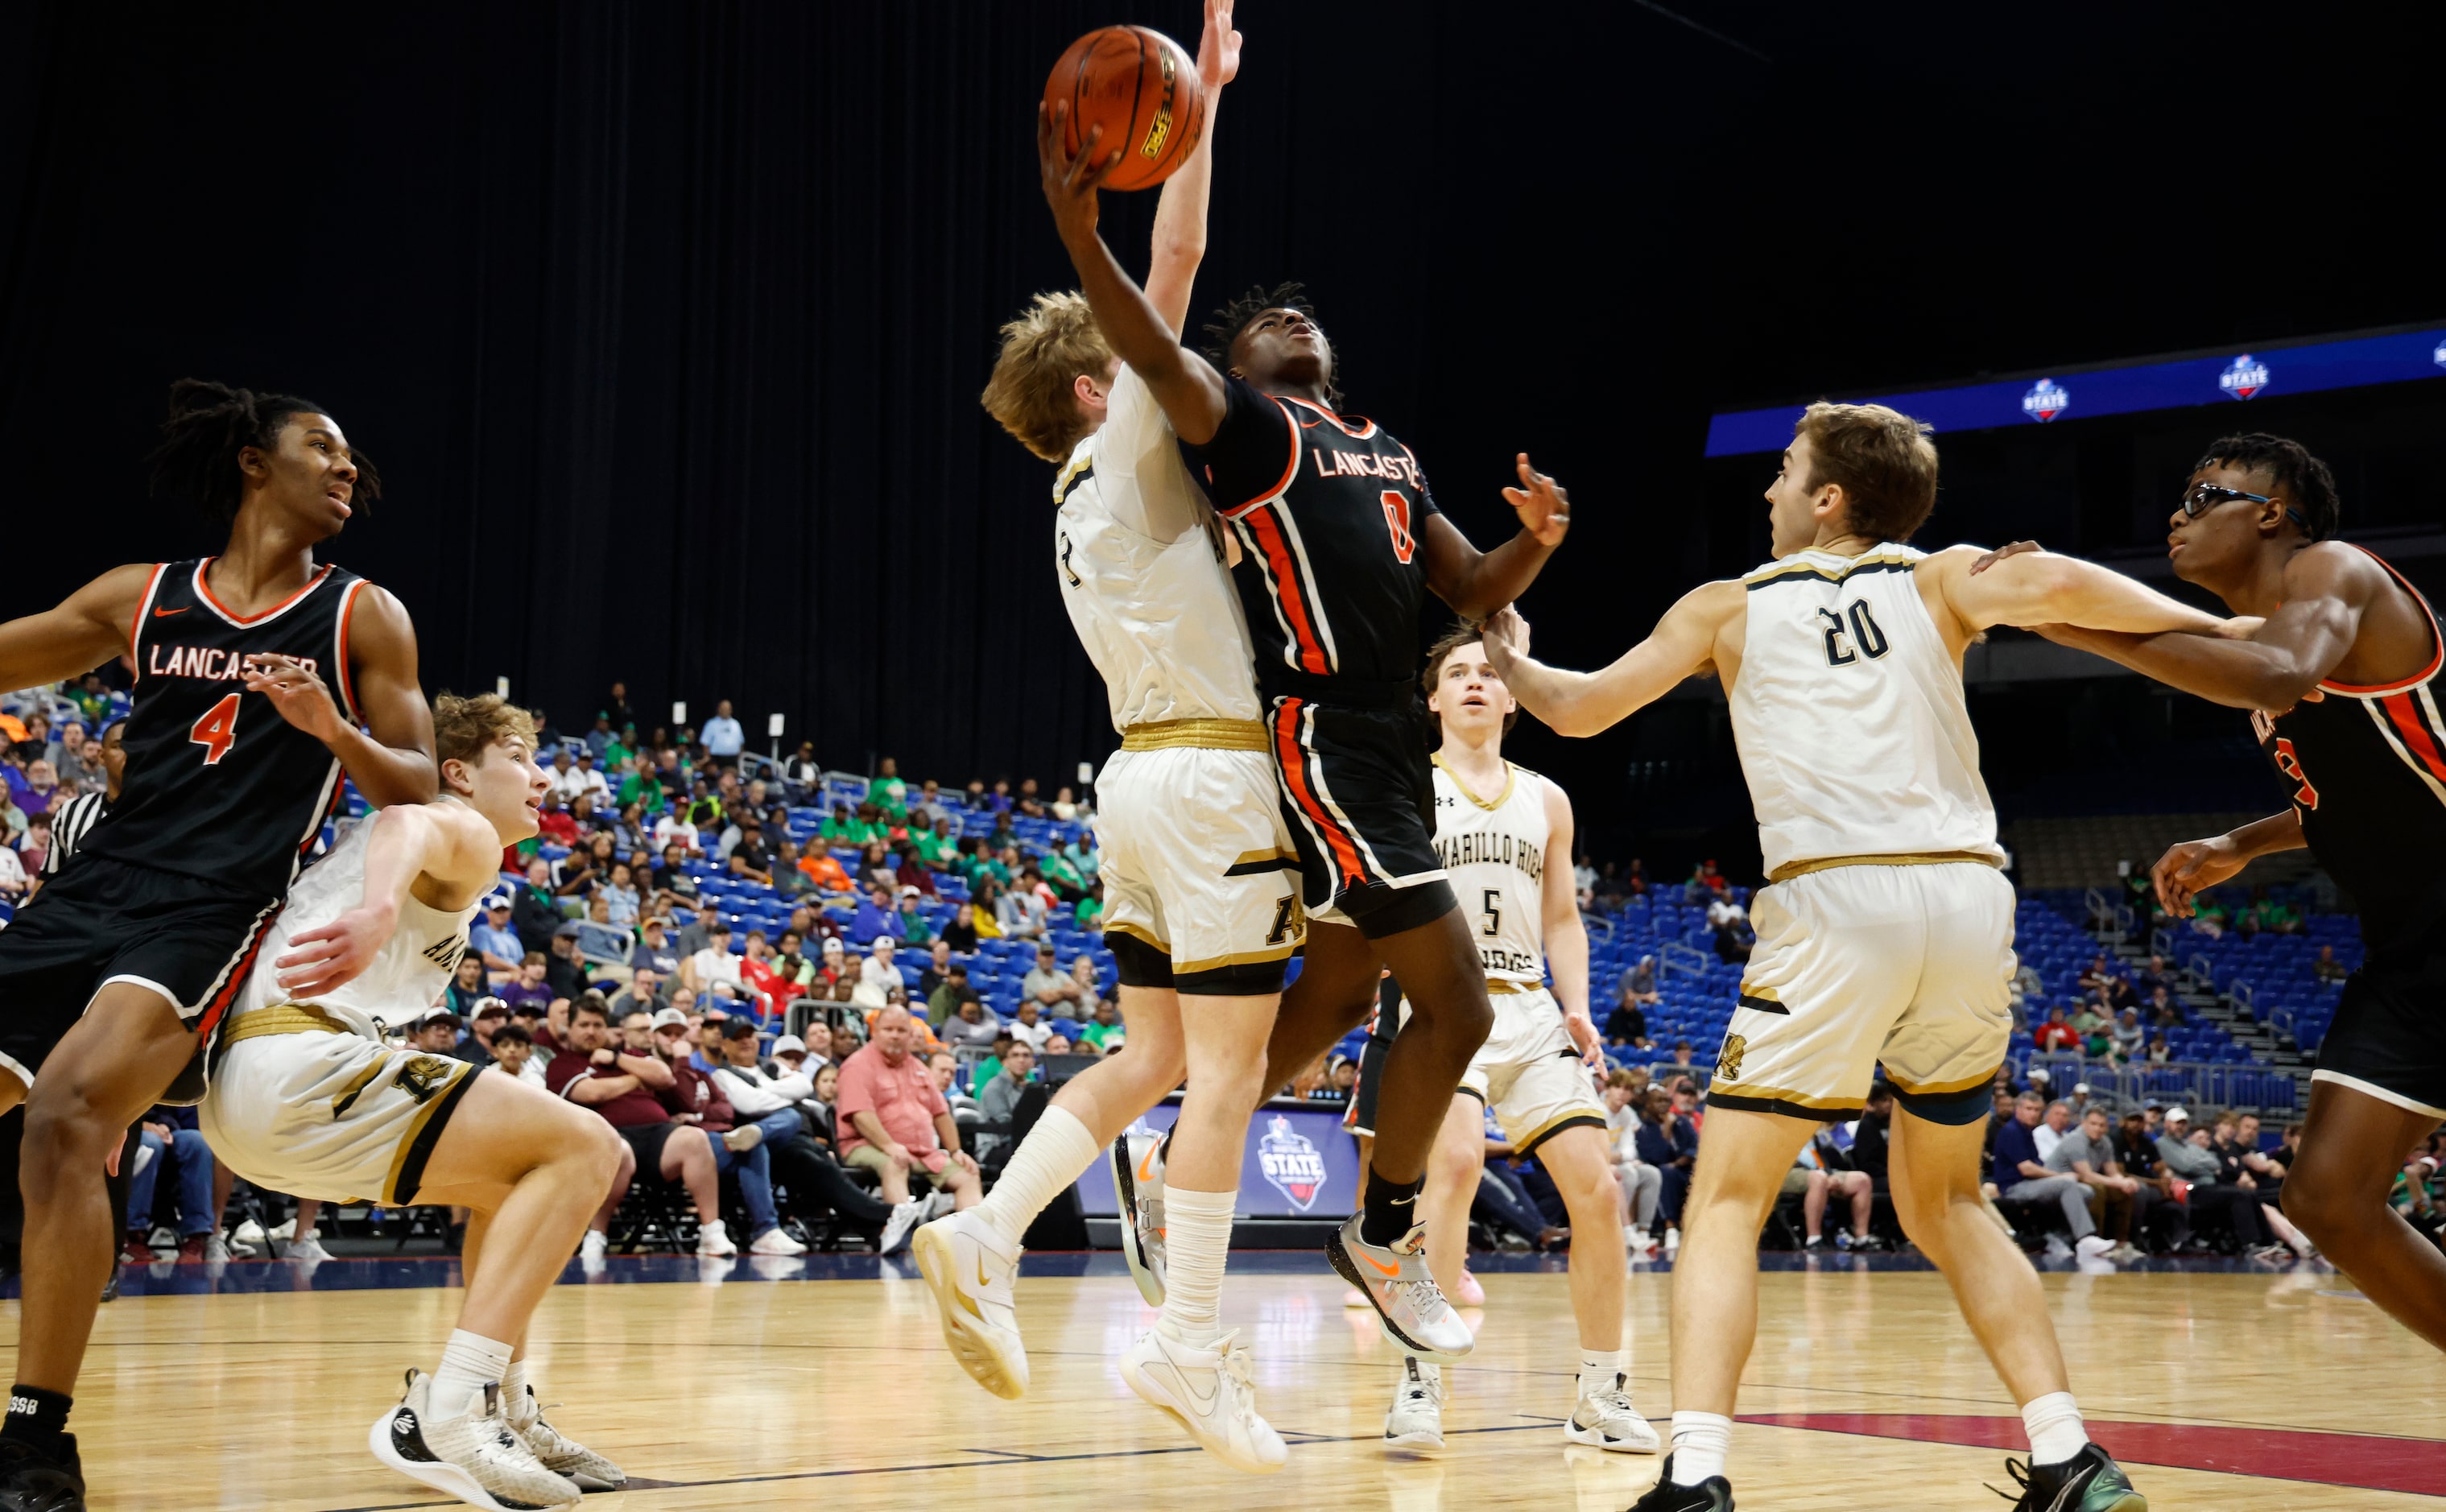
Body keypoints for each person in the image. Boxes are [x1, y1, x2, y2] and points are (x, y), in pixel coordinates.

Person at [1482, 403, 2242, 1508]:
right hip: (1970, 899)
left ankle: (1693, 1473)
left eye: (1785, 472)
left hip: (1838, 899)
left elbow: (1583, 712)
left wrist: (1512, 654)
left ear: (1829, 496)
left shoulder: (1728, 602)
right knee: (1946, 1202)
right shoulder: (1941, 579)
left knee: (1729, 1203)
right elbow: (2064, 588)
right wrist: (2222, 632)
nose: (1767, 490)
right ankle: (2069, 1453)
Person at [1029, 3, 1581, 1412]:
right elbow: (1151, 330)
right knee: (1449, 1001)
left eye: (1300, 312)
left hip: (1383, 738)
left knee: (1330, 994)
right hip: (1322, 735)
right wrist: (1080, 226)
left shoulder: (1384, 451)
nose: (1287, 316)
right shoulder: (1247, 428)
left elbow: (1462, 583)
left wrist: (1535, 543)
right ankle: (1383, 1233)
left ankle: (1177, 1164)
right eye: (1257, 320)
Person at [915, 4, 1299, 1474]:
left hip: (1132, 780)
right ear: (1097, 385)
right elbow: (1174, 267)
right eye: (1129, 354)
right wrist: (1198, 112)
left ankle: (986, 1226)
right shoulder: (1129, 439)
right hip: (1208, 775)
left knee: (1145, 1054)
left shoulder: (1070, 498)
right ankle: (1189, 1345)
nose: (1157, 355)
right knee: (1225, 1073)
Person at [0, 381, 440, 1512]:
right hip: (91, 889)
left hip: (213, 906)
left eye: (353, 460)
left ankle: (37, 1438)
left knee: (66, 1118)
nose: (347, 471)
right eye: (322, 450)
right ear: (254, 462)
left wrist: (330, 730)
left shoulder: (360, 615)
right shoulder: (139, 599)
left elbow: (422, 786)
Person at [2025, 433, 2446, 1356]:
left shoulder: (2331, 573)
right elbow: (2341, 793)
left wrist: (2065, 622)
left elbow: (2275, 676)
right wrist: (2236, 842)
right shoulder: (2270, 645)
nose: (2175, 513)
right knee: (2327, 1201)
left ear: (2269, 514)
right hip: (2412, 950)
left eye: (2201, 493)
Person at [193, 693, 625, 1509]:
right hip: (298, 1063)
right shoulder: (457, 822)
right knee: (589, 1147)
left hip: (251, 1094)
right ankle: (451, 1411)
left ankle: (502, 1400)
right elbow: (407, 824)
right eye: (520, 759)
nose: (542, 778)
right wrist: (380, 906)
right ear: (460, 771)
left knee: (517, 1181)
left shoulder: (447, 838)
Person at [1376, 631, 1657, 1454]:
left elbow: (1562, 919)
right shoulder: (1406, 786)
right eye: (1456, 673)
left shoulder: (1547, 799)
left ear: (1511, 698)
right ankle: (1419, 1378)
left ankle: (1598, 1395)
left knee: (1598, 1192)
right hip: (1439, 1003)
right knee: (1457, 1164)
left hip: (1528, 1008)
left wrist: (1577, 1006)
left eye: (1488, 673)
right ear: (1430, 698)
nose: (1473, 682)